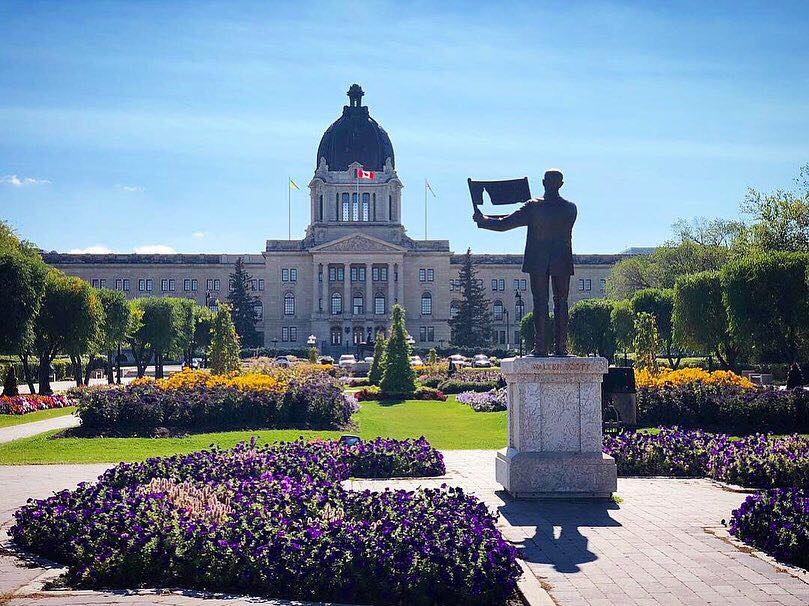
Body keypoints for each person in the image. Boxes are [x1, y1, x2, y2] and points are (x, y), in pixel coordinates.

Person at [474, 169, 577, 356]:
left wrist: (483, 221)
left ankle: (541, 347)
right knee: (561, 303)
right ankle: (561, 347)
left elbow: (505, 223)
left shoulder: (533, 207)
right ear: (561, 185)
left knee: (540, 302)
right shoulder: (570, 208)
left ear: (543, 183)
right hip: (561, 259)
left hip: (538, 260)